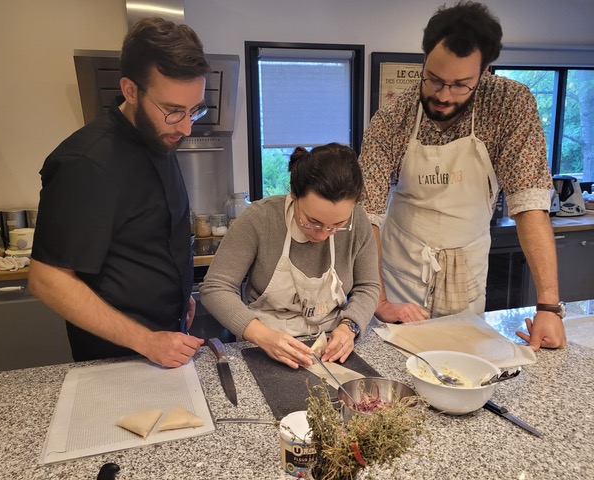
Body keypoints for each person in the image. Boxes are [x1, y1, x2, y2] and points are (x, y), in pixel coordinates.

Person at [359, 1, 566, 350]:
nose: (442, 95)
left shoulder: (508, 105)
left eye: (459, 85)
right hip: (399, 274)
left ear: (485, 71)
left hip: (466, 272)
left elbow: (529, 200)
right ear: (424, 59)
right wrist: (378, 299)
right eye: (435, 79)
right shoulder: (394, 116)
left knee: (462, 365)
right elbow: (368, 215)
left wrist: (549, 305)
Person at [29, 18, 210, 367]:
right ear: (130, 90)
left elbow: (151, 237)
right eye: (173, 111)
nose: (187, 126)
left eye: (195, 110)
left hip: (165, 344)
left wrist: (179, 294)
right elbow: (46, 279)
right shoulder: (86, 163)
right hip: (117, 359)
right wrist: (146, 341)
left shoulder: (160, 138)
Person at [200, 143, 381, 369]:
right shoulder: (260, 219)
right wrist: (262, 336)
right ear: (294, 195)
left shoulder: (359, 222)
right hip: (264, 344)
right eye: (313, 222)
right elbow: (215, 288)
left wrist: (349, 326)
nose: (324, 235)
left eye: (337, 225)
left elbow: (368, 286)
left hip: (330, 343)